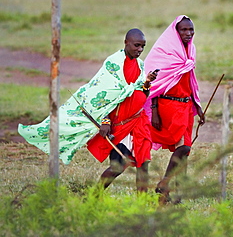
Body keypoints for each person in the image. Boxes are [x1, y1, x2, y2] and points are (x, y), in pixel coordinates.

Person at [18, 28, 157, 192]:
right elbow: (101, 95)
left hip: (138, 122)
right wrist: (105, 120)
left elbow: (143, 92)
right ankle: (94, 194)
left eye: (143, 46)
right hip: (120, 124)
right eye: (136, 45)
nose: (140, 50)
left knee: (143, 164)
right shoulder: (113, 64)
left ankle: (142, 203)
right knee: (118, 166)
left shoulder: (140, 66)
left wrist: (147, 82)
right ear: (126, 43)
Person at [143, 15, 205, 204]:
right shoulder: (164, 52)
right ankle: (165, 183)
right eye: (184, 30)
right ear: (175, 32)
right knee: (183, 147)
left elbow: (190, 82)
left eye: (191, 30)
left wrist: (198, 107)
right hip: (168, 106)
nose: (188, 33)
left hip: (186, 106)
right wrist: (154, 110)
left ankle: (173, 194)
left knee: (184, 152)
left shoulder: (190, 50)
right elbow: (154, 85)